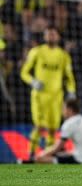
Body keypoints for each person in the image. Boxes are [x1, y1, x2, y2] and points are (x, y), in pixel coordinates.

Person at [20, 27, 76, 160]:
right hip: (39, 96)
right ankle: (31, 154)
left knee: (53, 129)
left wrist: (72, 91)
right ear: (44, 36)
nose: (51, 36)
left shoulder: (63, 55)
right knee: (39, 126)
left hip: (56, 97)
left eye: (53, 34)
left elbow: (69, 77)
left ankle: (48, 156)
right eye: (48, 34)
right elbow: (24, 72)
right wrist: (33, 82)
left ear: (58, 37)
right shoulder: (37, 52)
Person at [19, 99, 82, 164]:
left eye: (63, 109)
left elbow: (57, 148)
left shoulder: (70, 122)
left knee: (43, 158)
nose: (62, 112)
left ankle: (26, 163)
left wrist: (41, 155)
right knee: (62, 154)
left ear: (69, 110)